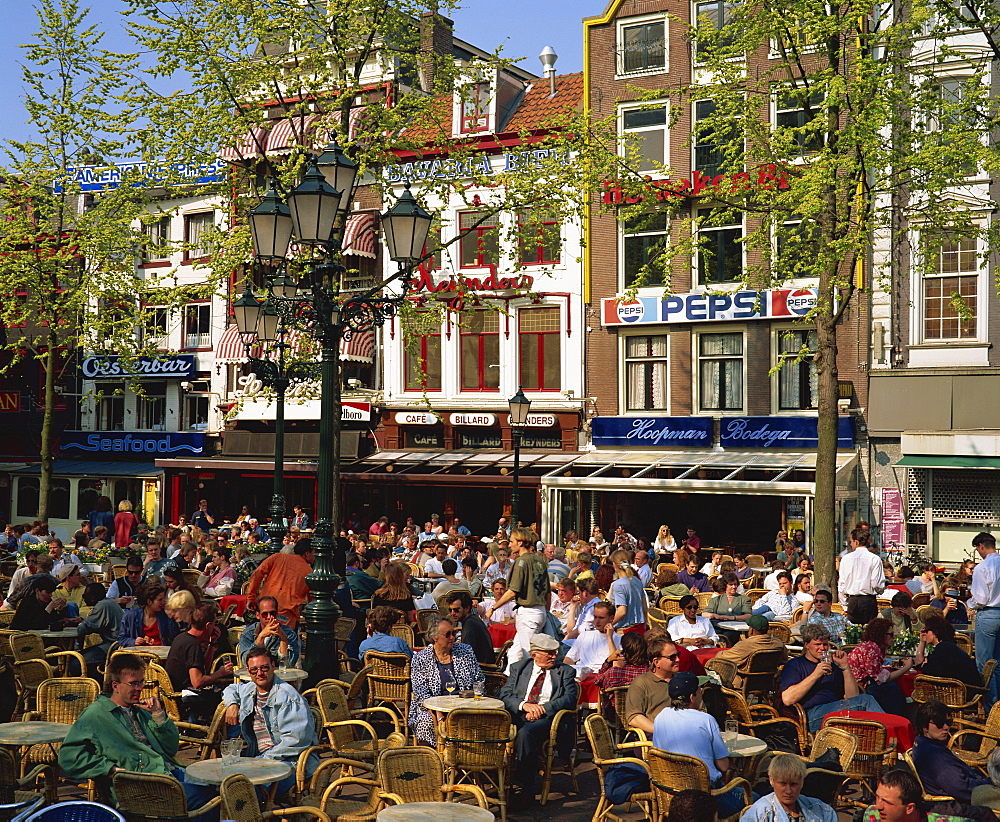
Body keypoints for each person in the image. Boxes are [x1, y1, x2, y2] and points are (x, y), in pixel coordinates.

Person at [58, 652, 217, 811]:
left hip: (168, 773)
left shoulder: (140, 711)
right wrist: (109, 769)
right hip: (140, 789)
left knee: (222, 789)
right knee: (209, 799)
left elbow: (171, 748)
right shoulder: (96, 715)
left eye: (141, 682)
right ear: (116, 686)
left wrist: (159, 715)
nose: (140, 688)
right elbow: (68, 758)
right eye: (133, 683)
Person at [221, 645, 317, 800]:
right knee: (220, 784)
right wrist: (232, 704)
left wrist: (262, 761)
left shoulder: (288, 698)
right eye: (254, 670)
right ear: (248, 671)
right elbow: (231, 689)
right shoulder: (250, 689)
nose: (259, 673)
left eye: (264, 668)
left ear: (273, 666)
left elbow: (296, 742)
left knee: (242, 793)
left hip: (289, 763)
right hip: (258, 760)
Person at [652, 671, 746, 819]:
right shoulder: (706, 720)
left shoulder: (660, 717)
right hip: (708, 797)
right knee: (755, 796)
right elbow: (723, 766)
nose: (701, 693)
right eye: (699, 690)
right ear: (691, 696)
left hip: (672, 795)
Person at [499, 633, 578, 808]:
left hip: (547, 718)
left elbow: (570, 699)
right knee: (495, 726)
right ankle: (493, 778)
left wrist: (542, 708)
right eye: (549, 652)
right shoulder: (519, 668)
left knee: (526, 734)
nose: (554, 656)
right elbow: (504, 694)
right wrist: (524, 705)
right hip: (521, 714)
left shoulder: (564, 671)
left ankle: (523, 787)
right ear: (534, 654)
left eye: (555, 652)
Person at [780, 623, 883, 732]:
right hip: (809, 715)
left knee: (868, 700)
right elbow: (788, 699)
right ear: (807, 645)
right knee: (866, 701)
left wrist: (845, 666)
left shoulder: (831, 666)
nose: (822, 648)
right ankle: (891, 734)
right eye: (817, 644)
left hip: (834, 709)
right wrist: (816, 674)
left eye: (825, 644)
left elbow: (853, 696)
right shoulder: (795, 665)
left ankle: (882, 736)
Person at [408, 615, 484, 746]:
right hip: (432, 708)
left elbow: (479, 679)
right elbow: (421, 693)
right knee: (426, 721)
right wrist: (438, 713)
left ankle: (466, 757)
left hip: (464, 705)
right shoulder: (421, 659)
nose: (452, 637)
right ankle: (432, 758)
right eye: (448, 634)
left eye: (454, 633)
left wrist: (474, 699)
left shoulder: (465, 651)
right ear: (434, 637)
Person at [485, 527, 548, 668]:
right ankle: (509, 684)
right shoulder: (540, 561)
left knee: (530, 656)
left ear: (520, 543)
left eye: (512, 541)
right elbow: (547, 592)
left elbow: (512, 591)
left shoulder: (520, 562)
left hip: (528, 613)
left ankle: (535, 688)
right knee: (514, 654)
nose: (509, 544)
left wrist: (493, 608)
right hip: (539, 611)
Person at [910, 700, 991, 808]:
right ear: (924, 727)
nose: (946, 727)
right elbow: (960, 787)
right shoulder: (934, 756)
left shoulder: (923, 743)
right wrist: (992, 784)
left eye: (948, 722)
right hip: (957, 805)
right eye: (939, 723)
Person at [165, 603, 234, 723]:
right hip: (185, 699)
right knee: (229, 695)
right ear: (208, 625)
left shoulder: (182, 638)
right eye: (214, 623)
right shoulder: (192, 645)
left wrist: (211, 644)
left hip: (176, 693)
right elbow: (197, 682)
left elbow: (202, 669)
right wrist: (220, 673)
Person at [742, 753, 837, 822]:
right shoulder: (759, 814)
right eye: (782, 784)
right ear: (771, 781)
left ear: (802, 782)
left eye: (794, 784)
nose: (788, 791)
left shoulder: (822, 811)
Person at [847, 617, 913, 716]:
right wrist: (907, 667)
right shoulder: (872, 649)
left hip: (863, 683)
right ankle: (896, 719)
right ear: (881, 635)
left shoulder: (871, 646)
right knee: (892, 689)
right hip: (861, 688)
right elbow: (882, 679)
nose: (893, 637)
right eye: (890, 634)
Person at [247, 539, 314, 628]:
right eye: (315, 553)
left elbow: (256, 575)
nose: (316, 556)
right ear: (307, 553)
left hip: (265, 610)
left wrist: (251, 598)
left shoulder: (277, 557)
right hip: (287, 617)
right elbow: (312, 599)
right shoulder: (310, 573)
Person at [969, 532, 1000, 710]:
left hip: (988, 613)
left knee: (985, 664)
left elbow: (980, 598)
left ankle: (991, 709)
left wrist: (968, 603)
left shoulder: (983, 567)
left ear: (981, 546)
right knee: (998, 663)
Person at [715, 614, 789, 687]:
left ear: (751, 630)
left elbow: (721, 658)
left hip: (746, 682)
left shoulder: (744, 645)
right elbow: (784, 659)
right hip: (769, 681)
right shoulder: (778, 643)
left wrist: (720, 651)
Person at [625, 635, 680, 734]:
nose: (677, 659)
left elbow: (700, 710)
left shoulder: (683, 680)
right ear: (656, 662)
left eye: (678, 655)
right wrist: (663, 732)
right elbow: (634, 717)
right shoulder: (641, 683)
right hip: (655, 737)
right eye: (672, 657)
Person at [917, 614, 982, 687]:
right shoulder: (946, 646)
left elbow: (928, 672)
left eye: (926, 630)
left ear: (935, 632)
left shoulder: (944, 648)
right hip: (961, 688)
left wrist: (924, 665)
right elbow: (920, 665)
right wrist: (922, 642)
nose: (924, 633)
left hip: (963, 690)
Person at [839, 526, 886, 624]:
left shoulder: (846, 559)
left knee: (853, 633)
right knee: (869, 631)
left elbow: (842, 584)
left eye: (851, 541)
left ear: (856, 542)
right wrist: (879, 591)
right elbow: (877, 584)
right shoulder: (875, 559)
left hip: (853, 600)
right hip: (868, 600)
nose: (850, 544)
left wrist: (844, 604)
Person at [238, 595, 301, 667]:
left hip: (279, 675)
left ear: (277, 614)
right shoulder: (248, 634)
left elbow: (289, 664)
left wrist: (283, 638)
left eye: (272, 613)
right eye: (265, 614)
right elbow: (245, 662)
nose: (269, 617)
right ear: (258, 615)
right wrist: (261, 637)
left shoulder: (288, 633)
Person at [564, 600, 621, 678]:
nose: (597, 621)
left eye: (601, 618)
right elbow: (568, 659)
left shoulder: (619, 639)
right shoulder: (584, 635)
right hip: (581, 677)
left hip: (603, 678)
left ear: (611, 618)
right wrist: (577, 672)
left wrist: (609, 638)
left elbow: (618, 666)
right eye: (595, 617)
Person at [77, 582, 124, 674]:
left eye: (85, 595)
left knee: (76, 662)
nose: (83, 598)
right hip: (113, 643)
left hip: (113, 646)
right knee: (81, 654)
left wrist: (79, 624)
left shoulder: (103, 605)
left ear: (93, 596)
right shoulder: (109, 602)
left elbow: (84, 628)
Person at [11, 575, 75, 631]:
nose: (50, 595)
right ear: (37, 591)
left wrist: (60, 610)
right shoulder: (28, 602)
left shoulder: (46, 601)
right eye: (47, 592)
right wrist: (49, 608)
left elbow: (52, 620)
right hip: (22, 636)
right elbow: (37, 624)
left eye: (51, 593)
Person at [446, 590, 493, 666]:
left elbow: (466, 655)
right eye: (450, 610)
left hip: (481, 668)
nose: (452, 613)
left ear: (467, 608)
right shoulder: (474, 619)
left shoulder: (470, 625)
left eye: (456, 610)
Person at [609, 549, 647, 632]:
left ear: (614, 564)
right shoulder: (637, 580)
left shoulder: (618, 584)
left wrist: (610, 624)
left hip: (624, 629)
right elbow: (644, 605)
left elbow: (622, 611)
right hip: (639, 626)